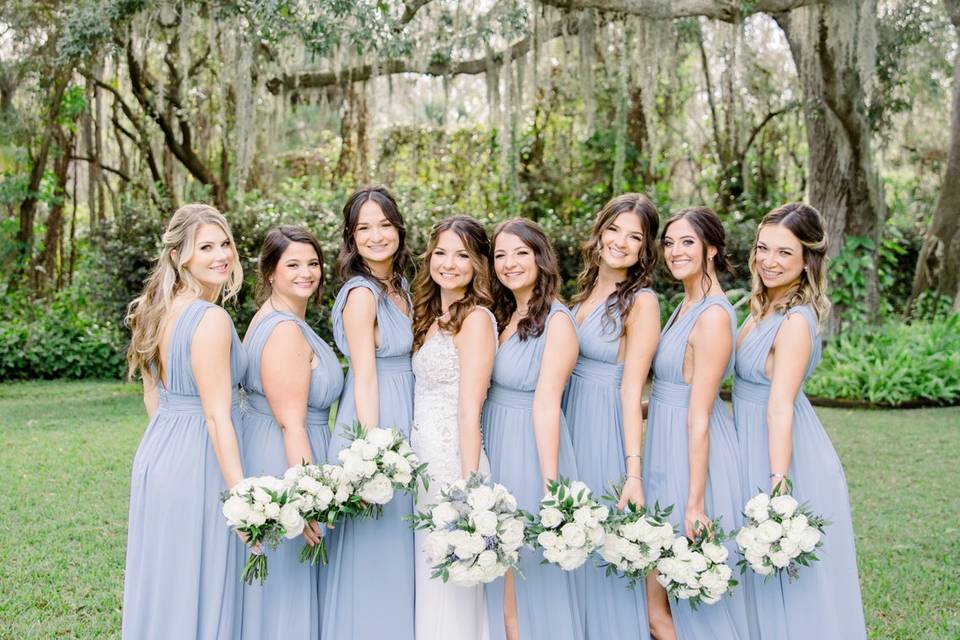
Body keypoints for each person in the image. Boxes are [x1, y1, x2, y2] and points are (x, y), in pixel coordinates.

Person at [733, 203, 867, 640]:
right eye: (763, 248)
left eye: (784, 253)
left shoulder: (795, 319)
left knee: (789, 579)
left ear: (807, 260)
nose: (769, 261)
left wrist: (778, 484)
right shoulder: (762, 307)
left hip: (784, 453)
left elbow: (779, 406)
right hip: (752, 438)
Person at [122, 203, 247, 640]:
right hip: (199, 459)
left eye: (225, 243)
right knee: (202, 578)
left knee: (167, 580)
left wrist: (169, 446)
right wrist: (242, 497)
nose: (221, 255)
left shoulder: (154, 309)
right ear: (179, 256)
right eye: (205, 247)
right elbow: (216, 416)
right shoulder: (209, 318)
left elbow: (153, 394)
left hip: (158, 453)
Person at [643, 207, 749, 640]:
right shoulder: (685, 303)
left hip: (691, 458)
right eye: (669, 243)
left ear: (712, 250)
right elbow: (674, 390)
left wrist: (694, 503)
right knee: (662, 597)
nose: (675, 251)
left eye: (687, 242)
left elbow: (700, 411)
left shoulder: (713, 315)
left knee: (672, 601)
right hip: (666, 446)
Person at [562, 194, 661, 640]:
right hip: (567, 421)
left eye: (634, 236)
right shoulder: (581, 292)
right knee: (568, 542)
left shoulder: (641, 303)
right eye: (615, 230)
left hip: (602, 428)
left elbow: (631, 388)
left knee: (604, 548)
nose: (621, 242)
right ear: (599, 232)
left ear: (644, 249)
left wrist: (633, 469)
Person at [239, 225, 344, 639]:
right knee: (288, 586)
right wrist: (304, 500)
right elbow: (292, 422)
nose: (307, 273)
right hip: (287, 458)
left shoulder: (277, 319)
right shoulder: (284, 330)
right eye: (293, 264)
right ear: (269, 272)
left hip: (277, 447)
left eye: (313, 263)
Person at [482, 218, 584, 640]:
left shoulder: (557, 321)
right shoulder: (502, 312)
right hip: (495, 440)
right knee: (495, 569)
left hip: (528, 448)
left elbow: (547, 403)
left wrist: (550, 487)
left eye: (521, 253)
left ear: (541, 258)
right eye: (501, 255)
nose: (509, 264)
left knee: (521, 580)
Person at [321, 186, 416, 640]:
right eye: (364, 228)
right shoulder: (362, 294)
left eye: (384, 225)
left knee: (402, 537)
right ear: (351, 238)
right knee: (376, 540)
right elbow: (364, 375)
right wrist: (374, 449)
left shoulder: (399, 286)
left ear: (398, 228)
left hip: (407, 405)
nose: (376, 236)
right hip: (374, 415)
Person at [410, 216, 497, 640]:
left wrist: (469, 487)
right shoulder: (428, 314)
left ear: (479, 264)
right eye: (442, 252)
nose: (449, 264)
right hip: (421, 460)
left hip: (451, 462)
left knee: (453, 575)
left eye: (463, 255)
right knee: (429, 576)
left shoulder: (477, 319)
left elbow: (469, 409)